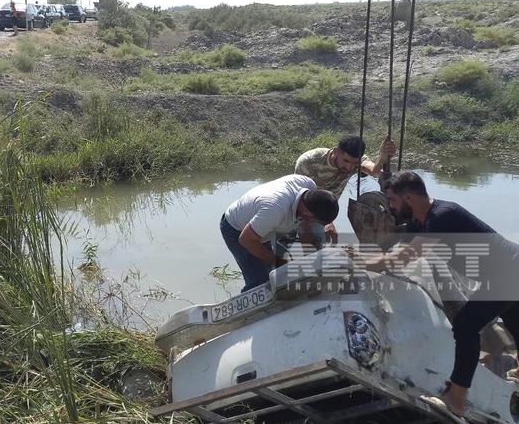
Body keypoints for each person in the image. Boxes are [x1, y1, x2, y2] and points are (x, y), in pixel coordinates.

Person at [348, 171, 519, 419]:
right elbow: (400, 245)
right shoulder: (421, 219)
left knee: (465, 327)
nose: (392, 208)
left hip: (507, 274)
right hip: (505, 271)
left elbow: (404, 257)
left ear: (408, 197)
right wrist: (368, 250)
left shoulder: (442, 216)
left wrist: (364, 262)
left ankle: (456, 398)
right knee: (514, 323)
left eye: (393, 201)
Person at [220, 174, 339, 292]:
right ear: (307, 213)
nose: (317, 224)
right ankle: (247, 309)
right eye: (318, 222)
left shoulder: (308, 184)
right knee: (258, 283)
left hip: (260, 226)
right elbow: (246, 240)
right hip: (236, 229)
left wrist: (307, 230)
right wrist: (279, 262)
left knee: (271, 275)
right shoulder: (275, 211)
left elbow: (304, 208)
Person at [295, 134, 396, 243]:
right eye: (346, 161)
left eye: (354, 163)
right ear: (335, 152)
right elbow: (298, 197)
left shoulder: (357, 161)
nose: (349, 167)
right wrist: (309, 229)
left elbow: (374, 172)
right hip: (296, 209)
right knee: (280, 244)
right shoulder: (309, 161)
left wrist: (383, 158)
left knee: (317, 249)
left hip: (319, 215)